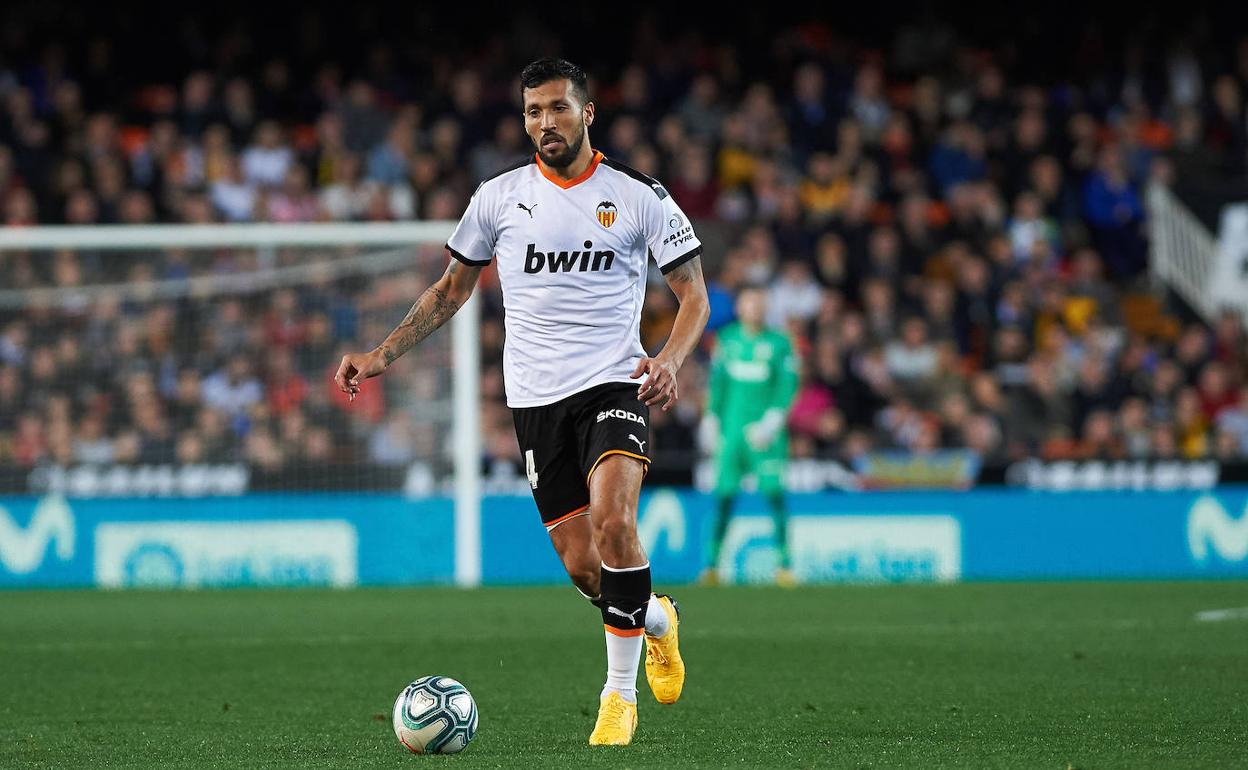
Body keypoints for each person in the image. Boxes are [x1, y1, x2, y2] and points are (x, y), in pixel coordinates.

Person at [334, 58, 709, 747]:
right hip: (535, 403)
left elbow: (694, 295)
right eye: (533, 111)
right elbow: (451, 290)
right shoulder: (498, 197)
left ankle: (616, 699)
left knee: (614, 519)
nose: (545, 123)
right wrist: (379, 355)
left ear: (587, 113)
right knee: (582, 566)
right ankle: (657, 620)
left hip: (614, 383)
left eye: (558, 109)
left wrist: (670, 360)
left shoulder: (638, 195)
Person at [700, 285, 799, 586]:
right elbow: (717, 384)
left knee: (774, 493)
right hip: (732, 431)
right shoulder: (726, 341)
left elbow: (787, 385)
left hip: (765, 433)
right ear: (740, 307)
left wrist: (774, 419)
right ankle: (713, 566)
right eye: (749, 303)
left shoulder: (780, 343)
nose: (754, 308)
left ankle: (784, 565)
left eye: (759, 303)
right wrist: (710, 418)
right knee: (724, 496)